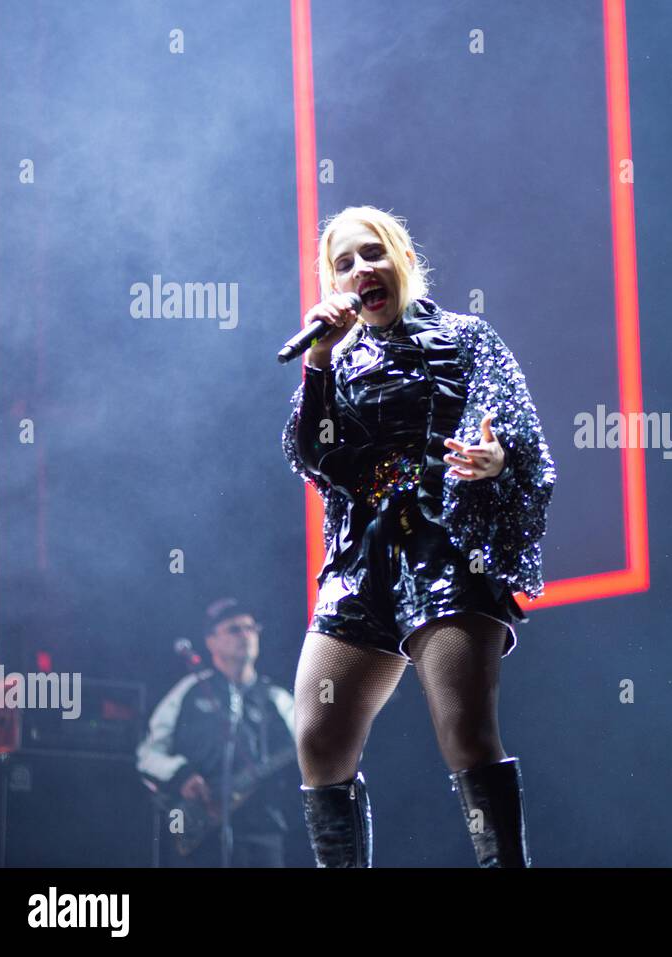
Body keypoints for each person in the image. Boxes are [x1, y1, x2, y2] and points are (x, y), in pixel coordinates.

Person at [282, 205, 556, 868]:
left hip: (447, 546)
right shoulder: (337, 361)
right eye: (343, 263)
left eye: (371, 253)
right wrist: (319, 356)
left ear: (400, 257)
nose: (360, 270)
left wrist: (495, 462)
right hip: (363, 556)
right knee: (318, 735)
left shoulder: (465, 337)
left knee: (465, 732)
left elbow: (517, 435)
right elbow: (312, 453)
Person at [137, 598, 297, 867]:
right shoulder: (189, 690)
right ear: (210, 641)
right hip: (202, 833)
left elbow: (316, 749)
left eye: (251, 628)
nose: (245, 635)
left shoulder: (277, 699)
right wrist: (182, 775)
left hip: (262, 833)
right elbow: (148, 754)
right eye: (234, 629)